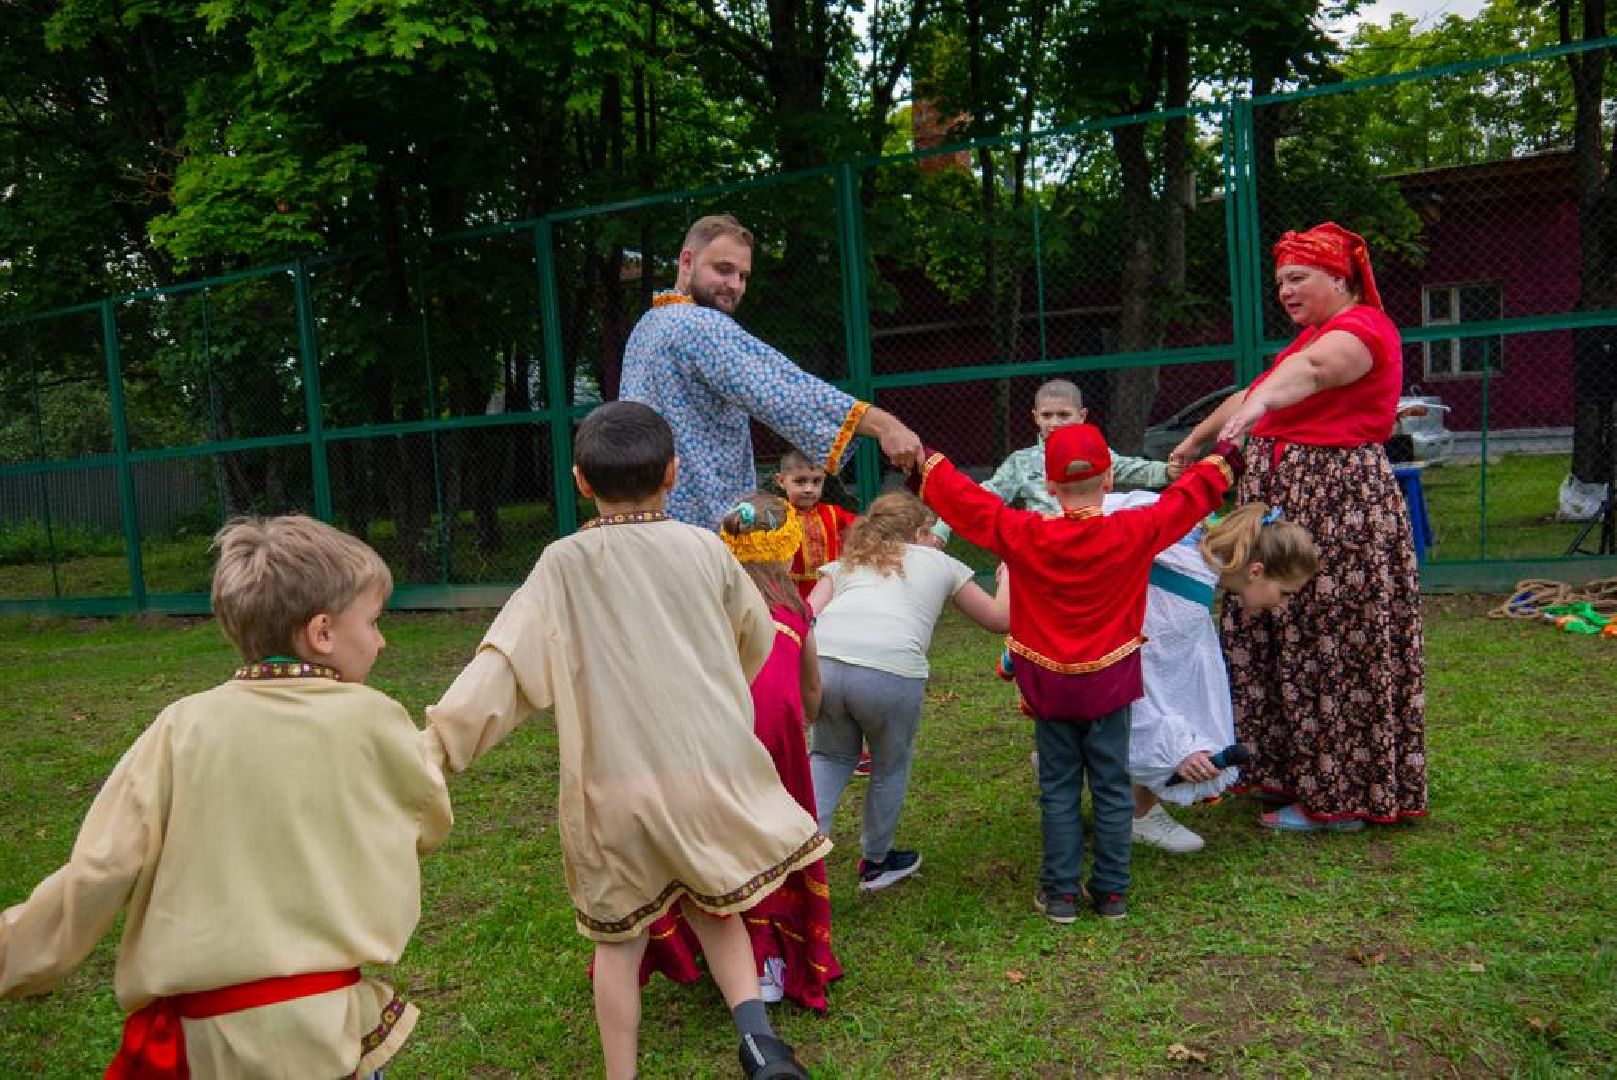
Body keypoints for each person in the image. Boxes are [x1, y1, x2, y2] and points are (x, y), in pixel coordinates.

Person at [424, 402, 821, 1080]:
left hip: (614, 788)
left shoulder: (563, 564)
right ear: (672, 472)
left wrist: (435, 747)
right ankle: (758, 1041)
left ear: (581, 480)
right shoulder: (706, 549)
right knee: (716, 904)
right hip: (707, 774)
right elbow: (753, 640)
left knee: (620, 942)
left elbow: (503, 663)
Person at [0, 515, 452, 1079]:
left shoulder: (179, 728)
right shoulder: (377, 721)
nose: (382, 639)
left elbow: (101, 867)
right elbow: (428, 819)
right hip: (322, 1036)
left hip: (203, 1044)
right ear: (323, 633)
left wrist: (16, 957)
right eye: (374, 621)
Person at [913, 423, 1243, 922]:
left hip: (1050, 685)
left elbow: (971, 506)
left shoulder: (1026, 533)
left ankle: (1061, 894)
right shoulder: (1135, 530)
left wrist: (924, 459)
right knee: (1112, 786)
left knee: (1060, 787)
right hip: (1110, 683)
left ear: (1048, 487)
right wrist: (1227, 455)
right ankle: (1111, 893)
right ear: (1108, 481)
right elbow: (1188, 498)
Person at [1169, 221, 1428, 832]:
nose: (1284, 290)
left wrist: (1262, 406)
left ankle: (1340, 800)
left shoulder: (1362, 330)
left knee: (1329, 638)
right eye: (1280, 280)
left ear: (1339, 277)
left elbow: (1311, 373)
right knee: (1272, 631)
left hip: (1336, 506)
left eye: (1298, 277)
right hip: (1289, 499)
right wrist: (1195, 441)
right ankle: (1289, 772)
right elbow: (1256, 390)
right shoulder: (1312, 334)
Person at [638, 492, 844, 1013]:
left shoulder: (706, 603)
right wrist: (807, 720)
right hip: (774, 737)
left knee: (720, 839)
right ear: (786, 547)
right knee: (772, 843)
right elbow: (813, 690)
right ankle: (766, 956)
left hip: (712, 737)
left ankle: (718, 941)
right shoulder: (795, 610)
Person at [620, 213, 923, 527]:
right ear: (686, 262)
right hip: (700, 530)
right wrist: (884, 425)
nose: (734, 285)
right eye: (723, 269)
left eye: (743, 276)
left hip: (643, 523)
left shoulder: (647, 326)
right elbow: (785, 392)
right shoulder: (700, 325)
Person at [805, 493, 1010, 892]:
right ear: (920, 533)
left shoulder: (848, 562)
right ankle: (877, 862)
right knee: (889, 764)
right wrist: (1009, 576)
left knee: (828, 755)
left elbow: (807, 613)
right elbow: (1000, 619)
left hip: (825, 662)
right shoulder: (942, 562)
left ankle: (798, 855)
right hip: (890, 670)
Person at [1096, 494, 1318, 854]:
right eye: (1285, 592)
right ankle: (1136, 811)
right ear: (1257, 571)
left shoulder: (1190, 536)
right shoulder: (1183, 603)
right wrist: (1180, 748)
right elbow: (1143, 686)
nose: (1283, 604)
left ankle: (1075, 763)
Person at [931, 378, 1182, 544]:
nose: (1054, 423)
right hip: (1043, 550)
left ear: (1081, 415)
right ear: (1035, 417)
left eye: (1063, 415)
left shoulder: (1095, 452)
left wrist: (1169, 472)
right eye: (1047, 415)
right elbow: (982, 496)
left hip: (1093, 544)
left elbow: (1130, 469)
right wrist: (941, 530)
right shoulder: (1021, 462)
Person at [776, 448, 859, 602]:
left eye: (816, 481)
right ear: (781, 481)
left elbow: (865, 528)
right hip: (789, 594)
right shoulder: (775, 515)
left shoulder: (834, 513)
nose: (809, 489)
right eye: (800, 481)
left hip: (831, 591)